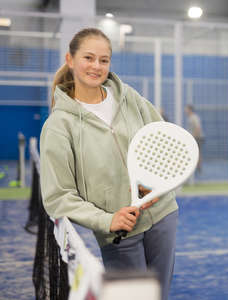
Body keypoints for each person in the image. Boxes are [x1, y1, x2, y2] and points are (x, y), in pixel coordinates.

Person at [40, 28, 178, 300]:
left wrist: (155, 186)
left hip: (162, 214)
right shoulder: (59, 125)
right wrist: (108, 220)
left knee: (158, 296)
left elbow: (162, 140)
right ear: (70, 59)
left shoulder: (130, 98)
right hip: (119, 231)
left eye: (104, 60)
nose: (96, 66)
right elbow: (58, 197)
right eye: (88, 58)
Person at [184, 104, 204, 173]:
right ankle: (196, 168)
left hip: (197, 138)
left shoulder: (194, 117)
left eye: (186, 109)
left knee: (198, 153)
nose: (185, 110)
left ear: (190, 110)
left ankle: (199, 168)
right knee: (195, 153)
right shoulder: (190, 117)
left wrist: (194, 137)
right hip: (194, 138)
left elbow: (198, 128)